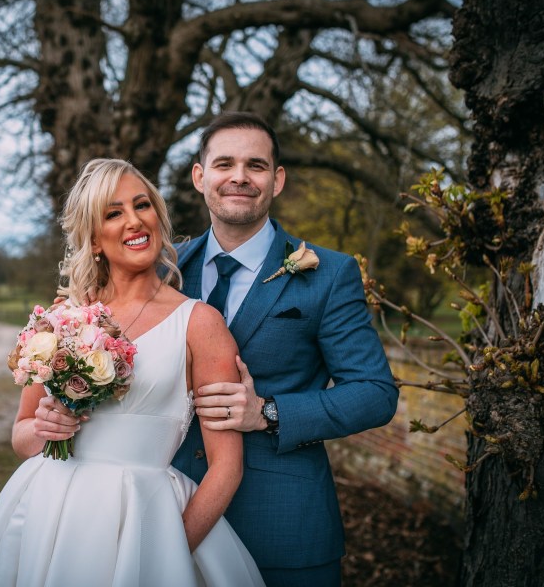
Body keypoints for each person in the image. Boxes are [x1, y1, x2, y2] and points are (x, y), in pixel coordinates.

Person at [0, 158, 265, 587]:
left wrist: (165, 554)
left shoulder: (200, 323)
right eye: (113, 213)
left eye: (143, 205)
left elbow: (226, 468)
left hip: (145, 514)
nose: (134, 221)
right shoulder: (62, 319)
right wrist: (47, 428)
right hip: (49, 512)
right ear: (95, 239)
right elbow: (22, 435)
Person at [171, 112, 399, 587]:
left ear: (276, 181)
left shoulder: (329, 273)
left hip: (283, 528)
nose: (239, 177)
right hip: (171, 517)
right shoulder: (164, 271)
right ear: (199, 176)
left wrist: (267, 413)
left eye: (255, 165)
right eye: (224, 164)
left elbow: (376, 392)